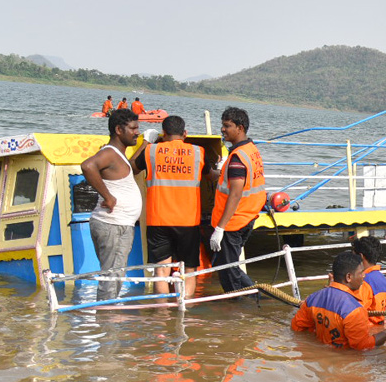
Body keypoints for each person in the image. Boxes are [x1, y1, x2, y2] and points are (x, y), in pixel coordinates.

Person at [133, 116, 205, 294]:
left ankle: (161, 315)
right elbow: (212, 175)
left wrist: (145, 142)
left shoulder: (151, 151)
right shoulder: (198, 152)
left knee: (161, 271)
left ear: (163, 134)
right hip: (188, 220)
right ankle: (185, 308)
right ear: (185, 133)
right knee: (188, 270)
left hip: (159, 219)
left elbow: (131, 168)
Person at [80, 108, 142, 301]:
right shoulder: (110, 152)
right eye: (133, 128)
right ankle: (106, 321)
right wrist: (107, 197)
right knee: (111, 277)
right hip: (112, 224)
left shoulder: (119, 154)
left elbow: (133, 167)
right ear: (118, 130)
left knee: (115, 275)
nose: (136, 132)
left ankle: (108, 319)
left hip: (120, 224)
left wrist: (146, 143)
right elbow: (87, 166)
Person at [208, 107, 265, 294]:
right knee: (230, 266)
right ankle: (251, 298)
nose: (223, 130)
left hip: (233, 222)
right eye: (222, 125)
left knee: (229, 270)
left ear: (240, 128)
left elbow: (235, 193)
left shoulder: (237, 157)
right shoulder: (250, 149)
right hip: (248, 217)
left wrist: (220, 228)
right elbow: (236, 179)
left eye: (227, 126)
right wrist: (216, 173)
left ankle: (243, 303)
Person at [291, 251, 386, 350]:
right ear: (349, 277)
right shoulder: (356, 310)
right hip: (346, 359)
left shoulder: (312, 298)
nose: (364, 275)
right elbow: (362, 346)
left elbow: (297, 327)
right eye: (361, 272)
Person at [350, 235, 386, 323]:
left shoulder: (363, 281)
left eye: (353, 255)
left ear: (361, 256)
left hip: (367, 328)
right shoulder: (382, 278)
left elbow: (354, 313)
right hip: (378, 324)